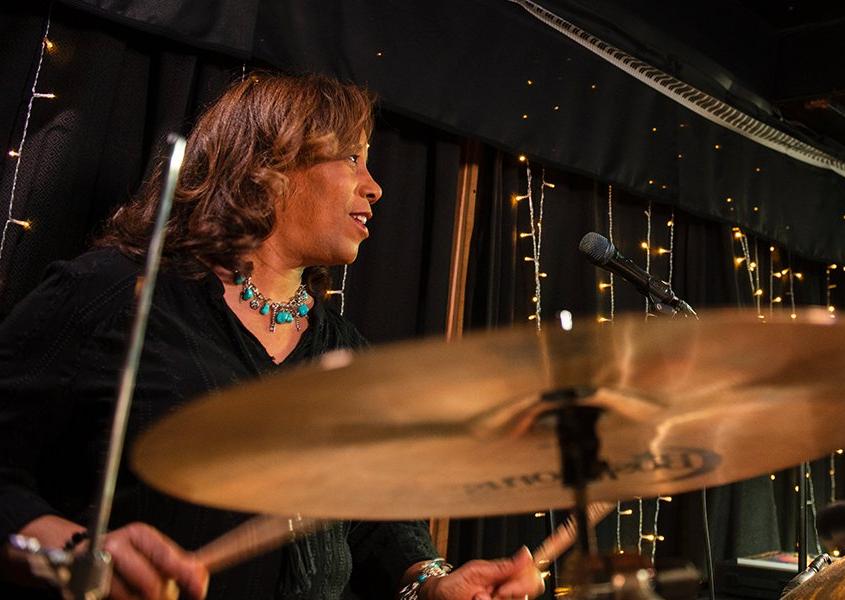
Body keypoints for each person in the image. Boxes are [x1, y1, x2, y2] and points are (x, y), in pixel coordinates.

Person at [0, 72, 544, 600]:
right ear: (271, 165)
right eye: (352, 157)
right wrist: (71, 554)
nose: (374, 187)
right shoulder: (115, 291)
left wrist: (431, 580)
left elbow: (372, 521)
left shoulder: (343, 349)